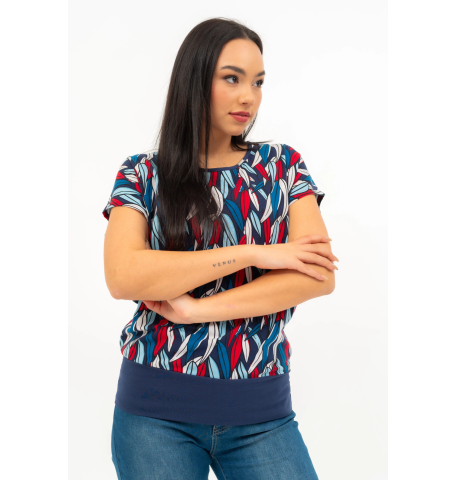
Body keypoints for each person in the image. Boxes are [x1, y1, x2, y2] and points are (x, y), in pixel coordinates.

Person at [102, 17, 338, 480]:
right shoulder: (142, 173)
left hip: (262, 414)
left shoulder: (282, 166)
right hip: (154, 412)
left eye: (258, 82)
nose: (249, 96)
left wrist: (196, 310)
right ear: (195, 80)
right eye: (232, 78)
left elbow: (318, 275)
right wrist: (254, 253)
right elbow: (124, 276)